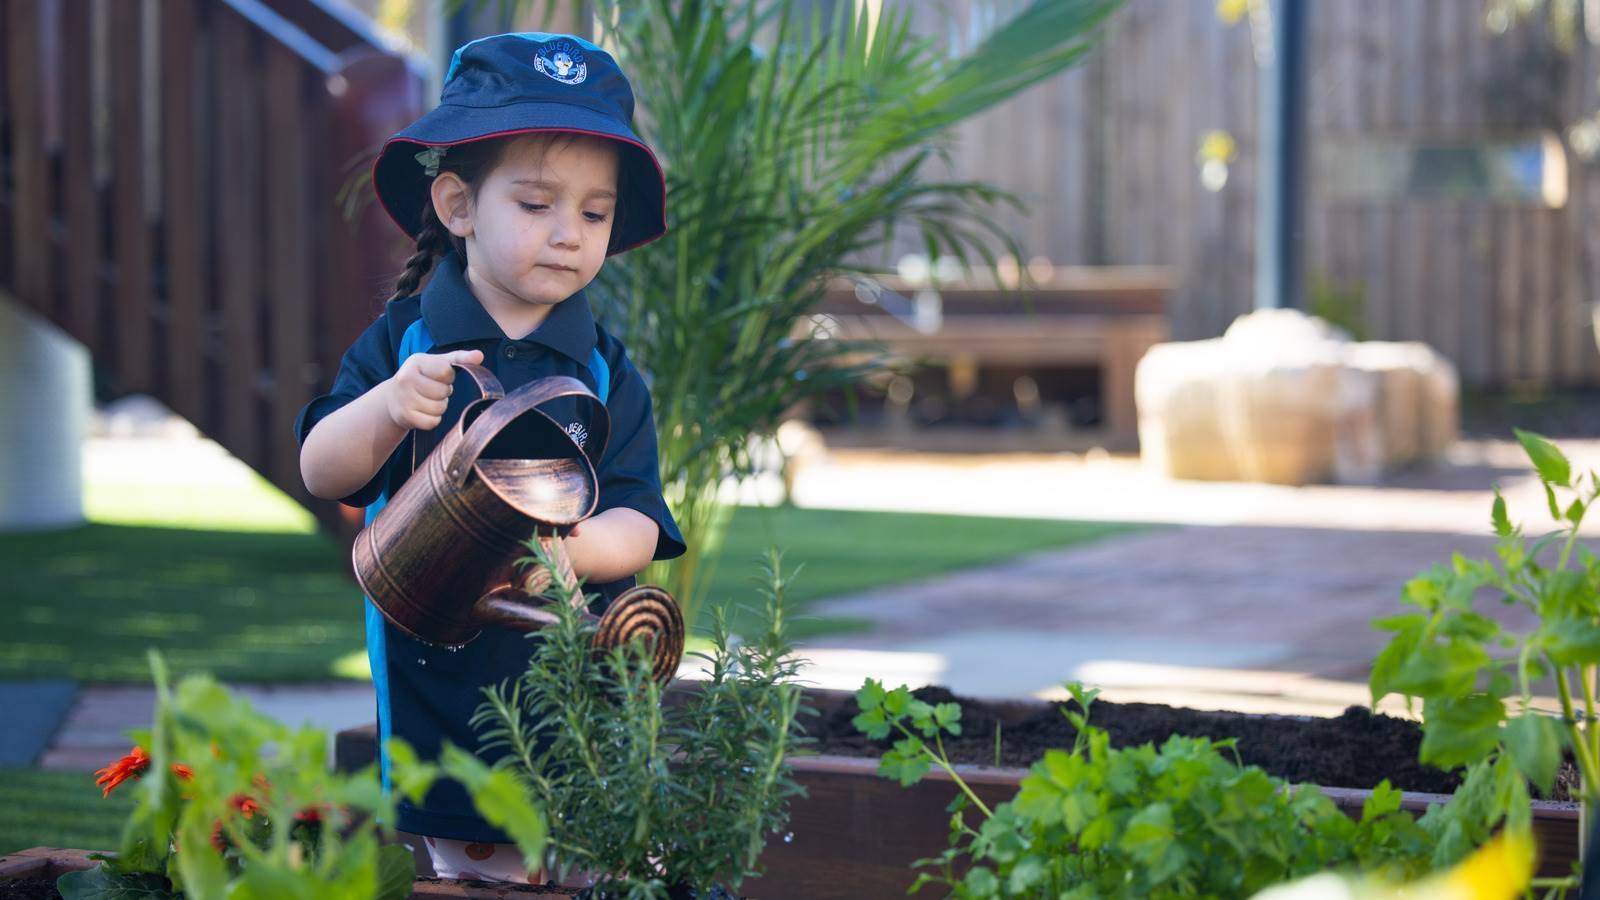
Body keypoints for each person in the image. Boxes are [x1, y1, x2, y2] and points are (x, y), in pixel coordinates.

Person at [295, 32, 685, 884]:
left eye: (594, 213)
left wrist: (572, 553)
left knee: (597, 870)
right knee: (480, 880)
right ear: (458, 206)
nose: (568, 234)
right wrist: (388, 408)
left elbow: (639, 518)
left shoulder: (604, 369)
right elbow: (323, 471)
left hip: (581, 704)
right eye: (537, 204)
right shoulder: (407, 345)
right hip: (445, 704)